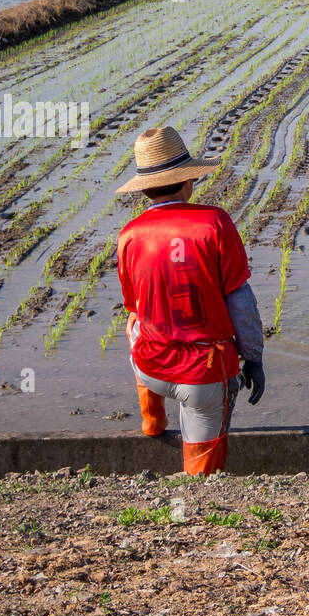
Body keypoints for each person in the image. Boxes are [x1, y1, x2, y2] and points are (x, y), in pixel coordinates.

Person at [115, 126, 266, 475]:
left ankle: (152, 420)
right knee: (202, 470)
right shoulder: (214, 223)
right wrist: (254, 360)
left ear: (144, 189)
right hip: (203, 377)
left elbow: (134, 307)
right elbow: (242, 306)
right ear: (188, 181)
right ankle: (196, 503)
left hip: (150, 367)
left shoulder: (130, 235)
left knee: (135, 324)